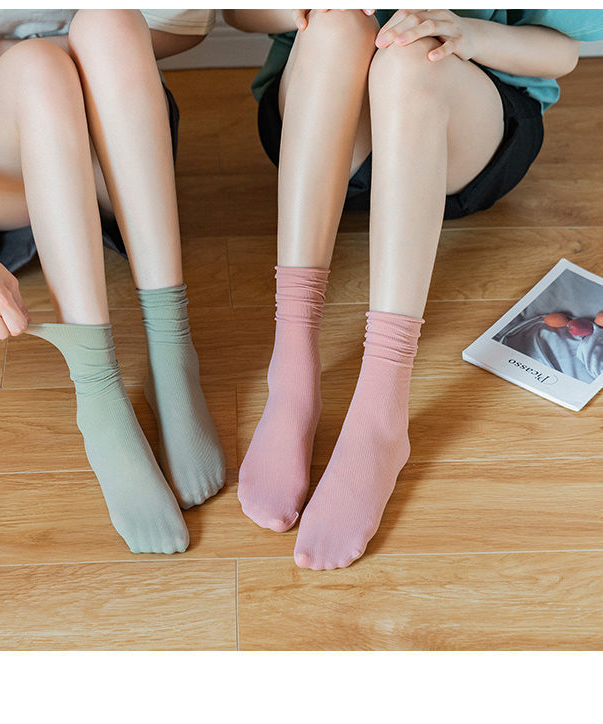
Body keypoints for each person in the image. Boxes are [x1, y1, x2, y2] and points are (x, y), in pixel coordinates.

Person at [223, 9, 603, 569]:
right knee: (336, 24)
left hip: (459, 129)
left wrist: (472, 34)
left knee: (411, 56)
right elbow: (236, 12)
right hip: (321, 125)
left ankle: (381, 410)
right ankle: (293, 369)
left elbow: (563, 51)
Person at [0, 9, 225, 555]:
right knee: (38, 70)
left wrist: (51, 46)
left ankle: (172, 355)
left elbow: (184, 26)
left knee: (112, 21)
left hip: (115, 124)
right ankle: (97, 390)